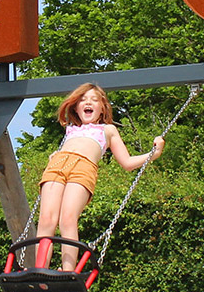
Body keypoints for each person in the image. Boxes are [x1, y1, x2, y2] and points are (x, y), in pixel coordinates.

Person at [35, 83, 164, 271]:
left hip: (83, 167)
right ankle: (40, 269)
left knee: (68, 218)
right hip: (57, 166)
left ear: (102, 107)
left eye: (94, 100)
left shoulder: (108, 130)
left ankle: (68, 270)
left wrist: (154, 153)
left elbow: (127, 162)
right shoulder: (71, 129)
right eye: (83, 100)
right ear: (76, 107)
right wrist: (55, 155)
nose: (88, 103)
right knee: (47, 218)